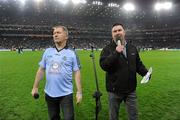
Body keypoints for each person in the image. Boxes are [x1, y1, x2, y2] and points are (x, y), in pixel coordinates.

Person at [99, 23, 150, 120]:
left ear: (124, 32)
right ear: (112, 34)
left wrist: (146, 73)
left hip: (131, 90)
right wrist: (116, 52)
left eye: (119, 30)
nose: (117, 33)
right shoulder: (107, 49)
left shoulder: (132, 47)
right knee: (113, 117)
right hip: (114, 91)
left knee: (133, 116)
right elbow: (104, 65)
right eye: (115, 31)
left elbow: (138, 64)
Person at [31, 25, 82, 120]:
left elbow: (77, 72)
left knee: (69, 118)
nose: (55, 35)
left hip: (66, 93)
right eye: (54, 33)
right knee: (53, 118)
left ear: (66, 36)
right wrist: (35, 87)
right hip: (49, 93)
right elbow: (41, 70)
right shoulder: (47, 51)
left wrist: (79, 92)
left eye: (58, 33)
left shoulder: (72, 53)